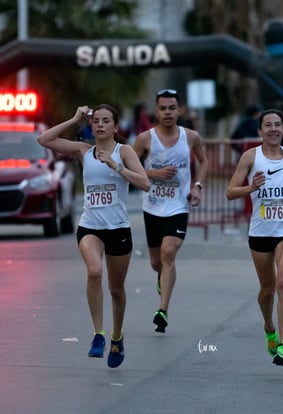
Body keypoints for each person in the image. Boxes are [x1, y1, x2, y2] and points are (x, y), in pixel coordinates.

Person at [37, 104, 150, 368]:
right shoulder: (83, 150)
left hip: (118, 228)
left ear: (115, 126)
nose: (99, 125)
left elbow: (144, 183)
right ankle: (98, 334)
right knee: (94, 272)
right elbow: (44, 140)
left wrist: (117, 167)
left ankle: (117, 337)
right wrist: (74, 118)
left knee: (117, 290)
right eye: (96, 120)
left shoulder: (126, 152)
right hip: (90, 226)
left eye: (105, 120)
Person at [226, 109, 283, 367]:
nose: (273, 129)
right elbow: (230, 192)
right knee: (267, 290)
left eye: (278, 125)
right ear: (260, 131)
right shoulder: (250, 157)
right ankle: (269, 326)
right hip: (260, 231)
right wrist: (251, 187)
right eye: (268, 125)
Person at [133, 89, 208, 334]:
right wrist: (154, 174)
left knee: (168, 253)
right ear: (156, 111)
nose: (167, 112)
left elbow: (204, 161)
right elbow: (129, 168)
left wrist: (197, 187)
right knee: (157, 262)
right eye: (163, 108)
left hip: (178, 206)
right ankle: (161, 277)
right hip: (152, 206)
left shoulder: (191, 137)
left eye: (172, 108)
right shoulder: (145, 139)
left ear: (180, 110)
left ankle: (162, 311)